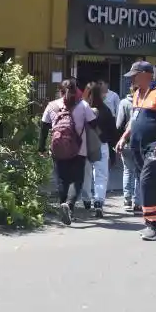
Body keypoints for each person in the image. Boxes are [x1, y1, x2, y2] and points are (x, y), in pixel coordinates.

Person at [115, 61, 156, 241]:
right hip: (138, 147)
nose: (132, 79)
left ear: (145, 75)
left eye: (134, 76)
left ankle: (151, 224)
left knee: (146, 182)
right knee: (153, 184)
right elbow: (134, 121)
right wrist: (123, 138)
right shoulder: (137, 94)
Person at [39, 79, 98, 226]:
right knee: (77, 180)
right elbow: (94, 125)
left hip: (58, 149)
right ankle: (69, 205)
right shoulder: (83, 105)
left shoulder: (52, 106)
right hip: (79, 149)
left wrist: (41, 148)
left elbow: (44, 127)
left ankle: (63, 206)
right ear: (75, 90)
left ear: (60, 91)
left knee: (62, 180)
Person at [83, 82, 117, 217]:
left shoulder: (82, 109)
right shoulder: (106, 110)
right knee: (101, 175)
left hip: (85, 145)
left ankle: (86, 199)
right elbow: (113, 131)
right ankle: (98, 202)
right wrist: (113, 152)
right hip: (101, 145)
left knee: (85, 174)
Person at [116, 84, 140, 212]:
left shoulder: (124, 103)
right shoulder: (144, 103)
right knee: (138, 172)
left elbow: (119, 124)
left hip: (126, 142)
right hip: (140, 143)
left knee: (127, 171)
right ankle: (138, 202)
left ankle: (127, 199)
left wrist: (120, 140)